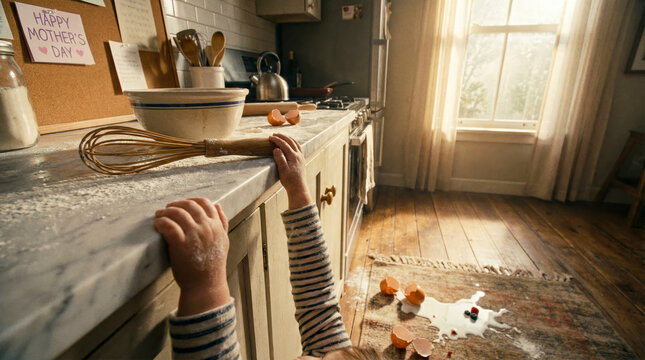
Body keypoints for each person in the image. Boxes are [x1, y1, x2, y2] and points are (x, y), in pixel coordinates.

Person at [154, 133, 381, 360]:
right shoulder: (333, 353)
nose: (312, 358)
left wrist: (206, 285)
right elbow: (318, 296)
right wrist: (298, 189)